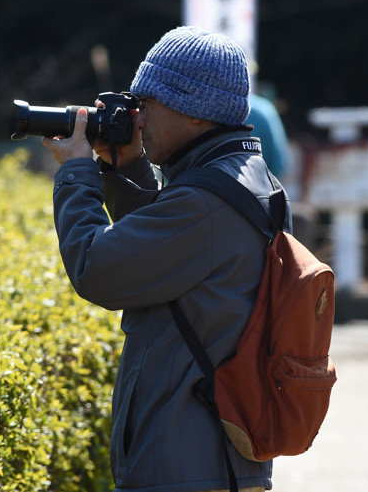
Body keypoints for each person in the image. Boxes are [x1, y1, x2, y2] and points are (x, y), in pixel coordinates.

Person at [42, 25, 287, 492]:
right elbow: (163, 263)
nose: (136, 119)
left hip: (189, 467)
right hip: (212, 462)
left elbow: (100, 269)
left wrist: (76, 173)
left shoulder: (207, 201)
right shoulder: (242, 181)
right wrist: (126, 169)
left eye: (145, 105)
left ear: (196, 113)